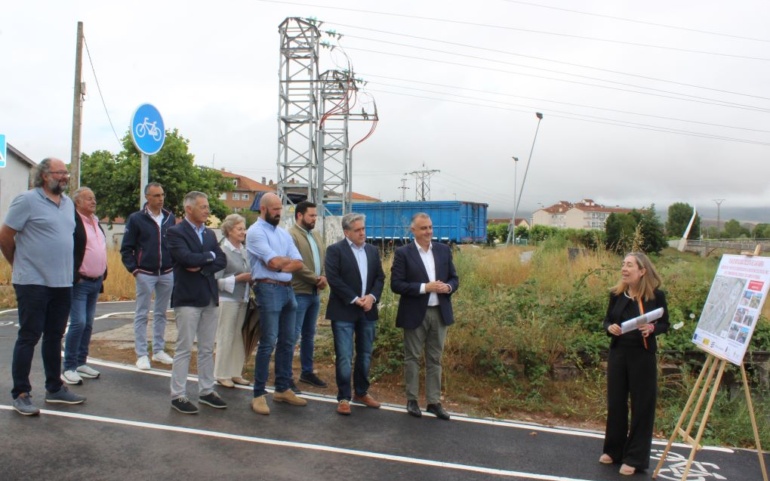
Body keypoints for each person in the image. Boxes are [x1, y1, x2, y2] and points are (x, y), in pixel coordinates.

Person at [0, 158, 86, 415]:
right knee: (29, 336)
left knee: (54, 336)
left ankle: (55, 388)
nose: (65, 177)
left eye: (66, 174)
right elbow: (5, 235)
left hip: (62, 282)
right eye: (60, 173)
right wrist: (17, 262)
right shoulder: (26, 200)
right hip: (32, 282)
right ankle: (22, 393)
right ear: (44, 175)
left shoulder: (68, 204)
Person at [600, 252, 669, 476]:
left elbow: (664, 323)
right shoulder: (616, 295)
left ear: (642, 271)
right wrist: (610, 327)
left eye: (629, 265)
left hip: (643, 355)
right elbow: (608, 319)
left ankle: (635, 458)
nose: (624, 269)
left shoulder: (655, 297)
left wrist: (652, 328)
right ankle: (613, 450)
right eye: (623, 265)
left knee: (642, 406)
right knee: (616, 402)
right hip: (619, 354)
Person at [391, 213, 459, 421]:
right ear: (413, 231)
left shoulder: (443, 250)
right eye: (423, 228)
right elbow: (396, 284)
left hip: (439, 312)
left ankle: (433, 401)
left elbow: (454, 278)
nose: (428, 232)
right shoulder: (403, 253)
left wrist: (447, 287)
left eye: (430, 227)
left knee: (434, 359)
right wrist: (424, 287)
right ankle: (412, 399)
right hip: (414, 313)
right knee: (412, 358)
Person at [166, 191, 227, 414]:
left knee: (206, 347)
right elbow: (185, 259)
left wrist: (202, 264)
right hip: (188, 297)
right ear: (189, 208)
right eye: (202, 206)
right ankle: (178, 395)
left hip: (209, 295)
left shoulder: (210, 234)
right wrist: (207, 258)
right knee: (184, 347)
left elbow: (221, 259)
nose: (207, 210)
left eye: (207, 206)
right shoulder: (175, 232)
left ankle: (206, 391)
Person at [247, 193, 306, 415]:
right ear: (263, 209)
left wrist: (280, 265)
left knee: (288, 340)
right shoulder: (255, 232)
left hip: (287, 289)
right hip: (268, 288)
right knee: (268, 341)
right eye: (274, 209)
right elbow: (270, 261)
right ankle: (258, 394)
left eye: (280, 209)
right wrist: (279, 262)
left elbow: (298, 263)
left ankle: (282, 388)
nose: (279, 213)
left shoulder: (283, 234)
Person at [324, 213, 385, 416]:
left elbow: (379, 278)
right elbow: (334, 278)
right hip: (344, 310)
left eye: (363, 229)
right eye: (357, 230)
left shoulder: (372, 251)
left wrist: (371, 298)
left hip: (367, 310)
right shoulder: (335, 251)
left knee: (365, 355)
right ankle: (343, 397)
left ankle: (361, 392)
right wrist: (354, 299)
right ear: (347, 232)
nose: (362, 233)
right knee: (344, 356)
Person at [120, 182, 175, 370]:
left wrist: (173, 265)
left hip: (167, 272)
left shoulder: (169, 217)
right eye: (156, 196)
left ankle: (158, 350)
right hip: (145, 273)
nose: (161, 199)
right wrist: (135, 270)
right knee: (142, 314)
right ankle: (142, 354)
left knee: (161, 313)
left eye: (162, 195)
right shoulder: (136, 219)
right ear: (147, 197)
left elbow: (173, 244)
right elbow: (126, 248)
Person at [62, 187, 108, 385]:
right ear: (77, 202)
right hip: (80, 282)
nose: (93, 201)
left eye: (94, 198)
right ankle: (69, 367)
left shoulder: (96, 221)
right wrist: (75, 275)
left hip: (95, 281)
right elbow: (67, 249)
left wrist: (103, 272)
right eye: (88, 198)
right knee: (78, 322)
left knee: (88, 323)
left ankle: (81, 362)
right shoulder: (72, 222)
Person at [289, 201, 328, 389]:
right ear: (299, 215)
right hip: (299, 291)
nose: (315, 219)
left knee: (309, 335)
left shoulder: (316, 235)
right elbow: (296, 264)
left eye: (316, 216)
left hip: (314, 292)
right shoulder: (291, 235)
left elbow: (323, 259)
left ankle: (306, 372)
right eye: (311, 216)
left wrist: (324, 277)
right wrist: (315, 278)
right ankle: (286, 376)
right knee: (292, 334)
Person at [214, 213, 252, 388]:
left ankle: (235, 372)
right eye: (239, 229)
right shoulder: (222, 251)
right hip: (227, 300)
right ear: (229, 230)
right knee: (225, 335)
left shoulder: (243, 251)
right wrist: (238, 279)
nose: (243, 232)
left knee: (238, 336)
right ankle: (221, 373)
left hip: (242, 299)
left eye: (244, 228)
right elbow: (216, 281)